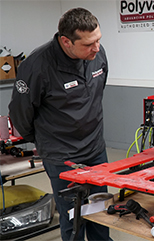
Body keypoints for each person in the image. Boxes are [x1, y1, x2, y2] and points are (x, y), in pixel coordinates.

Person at [8, 8, 112, 241]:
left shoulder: (97, 53)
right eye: (88, 44)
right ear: (66, 41)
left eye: (98, 40)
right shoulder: (37, 66)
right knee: (72, 215)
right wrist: (46, 141)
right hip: (61, 154)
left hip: (95, 149)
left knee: (98, 210)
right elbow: (20, 113)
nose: (96, 48)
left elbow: (98, 91)